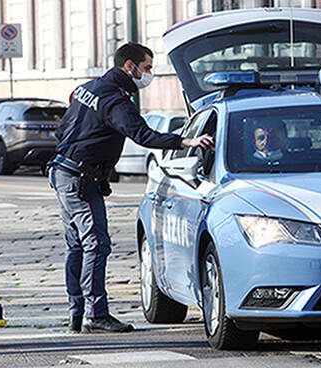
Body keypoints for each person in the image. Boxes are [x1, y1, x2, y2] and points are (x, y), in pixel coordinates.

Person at [49, 42, 214, 333]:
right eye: (147, 68)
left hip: (63, 172)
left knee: (75, 245)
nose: (148, 75)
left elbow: (62, 129)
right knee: (96, 245)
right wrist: (185, 141)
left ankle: (78, 312)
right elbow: (142, 134)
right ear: (130, 66)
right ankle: (96, 314)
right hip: (81, 180)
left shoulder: (89, 87)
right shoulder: (116, 100)